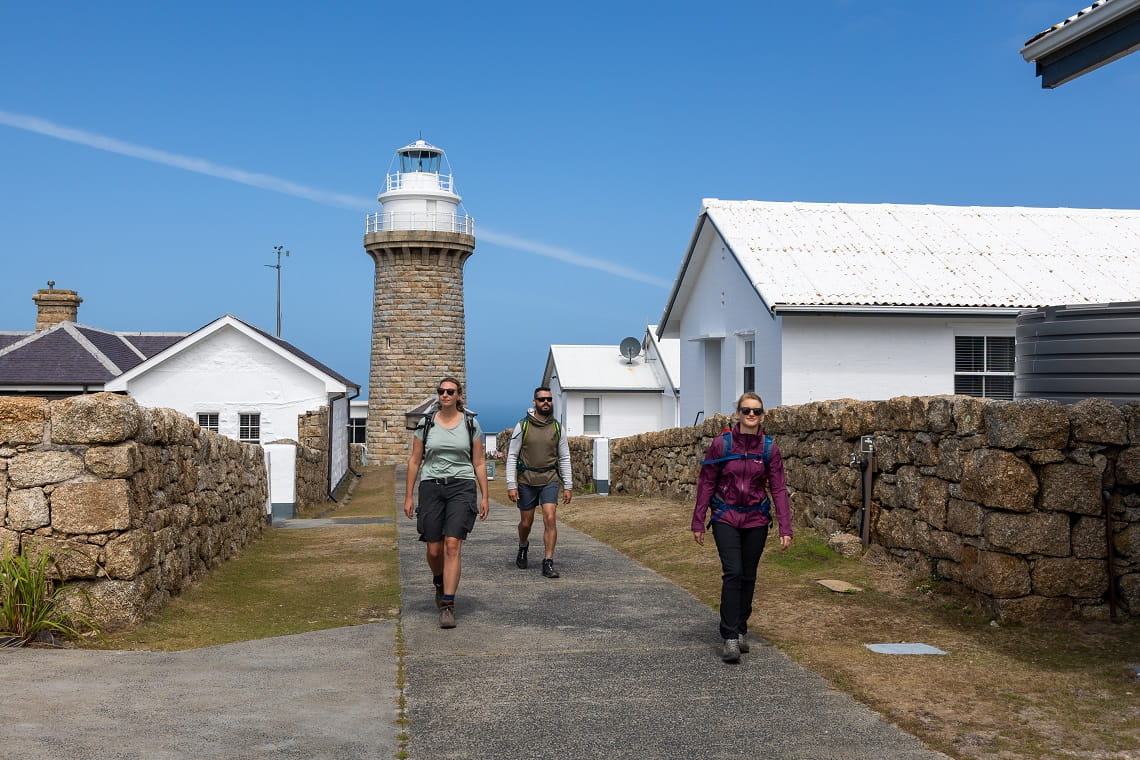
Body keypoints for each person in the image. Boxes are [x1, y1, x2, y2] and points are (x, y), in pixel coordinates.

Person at [691, 392, 792, 663]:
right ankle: (730, 636)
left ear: (762, 416)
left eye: (756, 411)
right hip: (726, 515)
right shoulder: (721, 445)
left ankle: (741, 627)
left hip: (756, 518)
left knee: (748, 576)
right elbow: (707, 483)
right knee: (733, 572)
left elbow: (779, 488)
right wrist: (698, 520)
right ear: (737, 413)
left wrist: (785, 527)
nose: (751, 415)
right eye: (746, 410)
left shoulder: (770, 449)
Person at [403, 377, 490, 629]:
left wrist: (485, 495)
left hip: (461, 486)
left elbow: (479, 462)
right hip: (431, 486)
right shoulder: (426, 423)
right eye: (441, 391)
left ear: (459, 395)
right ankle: (439, 581)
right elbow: (414, 460)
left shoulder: (471, 424)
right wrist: (408, 495)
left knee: (452, 544)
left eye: (450, 391)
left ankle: (448, 604)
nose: (445, 395)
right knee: (433, 549)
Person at [505, 387, 572, 578]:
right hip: (526, 480)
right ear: (534, 402)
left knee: (550, 517)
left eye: (549, 399)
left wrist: (568, 485)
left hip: (549, 479)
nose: (546, 403)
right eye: (542, 399)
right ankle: (523, 546)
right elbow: (512, 456)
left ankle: (548, 562)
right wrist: (512, 484)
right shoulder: (523, 426)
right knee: (526, 522)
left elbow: (564, 457)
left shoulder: (557, 428)